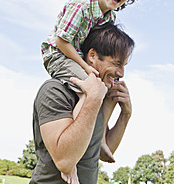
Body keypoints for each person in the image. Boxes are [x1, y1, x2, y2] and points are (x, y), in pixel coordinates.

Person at [40, 0, 142, 182]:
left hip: (78, 57)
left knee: (98, 90)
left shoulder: (108, 18)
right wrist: (87, 68)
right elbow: (61, 40)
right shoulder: (81, 4)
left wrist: (122, 110)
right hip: (58, 54)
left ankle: (101, 139)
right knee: (89, 89)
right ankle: (71, 163)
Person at [31, 22, 135, 183]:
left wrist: (125, 113)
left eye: (124, 66)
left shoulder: (99, 97)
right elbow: (65, 162)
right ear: (92, 56)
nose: (121, 73)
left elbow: (102, 153)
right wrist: (93, 99)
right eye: (116, 64)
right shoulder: (55, 90)